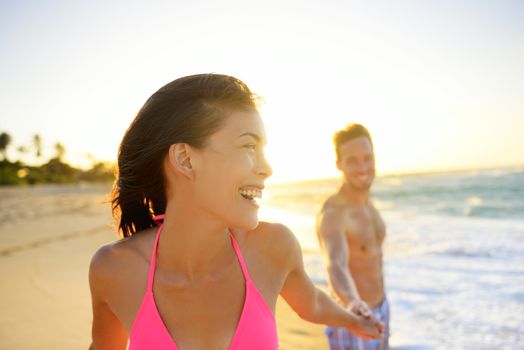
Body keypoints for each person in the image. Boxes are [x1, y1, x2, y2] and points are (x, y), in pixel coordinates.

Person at [88, 74, 383, 349]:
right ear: (185, 159)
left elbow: (313, 303)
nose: (267, 168)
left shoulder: (273, 248)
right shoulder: (115, 270)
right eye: (248, 146)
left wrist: (355, 321)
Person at [316, 124, 389, 350]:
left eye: (367, 158)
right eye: (352, 161)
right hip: (352, 317)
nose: (363, 167)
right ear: (339, 164)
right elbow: (335, 264)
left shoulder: (368, 203)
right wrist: (353, 302)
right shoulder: (334, 213)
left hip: (381, 308)